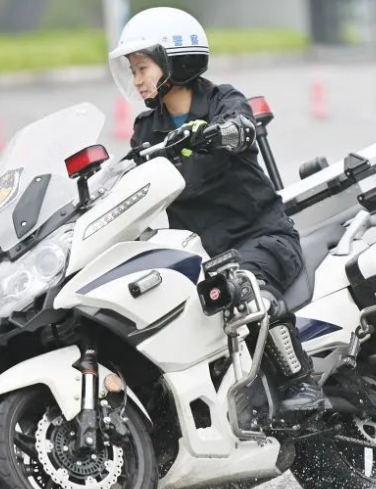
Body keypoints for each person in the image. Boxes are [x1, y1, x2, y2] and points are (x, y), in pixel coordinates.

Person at [108, 7, 329, 417]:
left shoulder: (222, 101)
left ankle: (300, 382)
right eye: (132, 71)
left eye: (142, 68)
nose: (136, 80)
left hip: (263, 240)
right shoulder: (146, 129)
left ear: (176, 62)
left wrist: (218, 132)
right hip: (202, 259)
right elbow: (133, 181)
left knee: (242, 284)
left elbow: (241, 125)